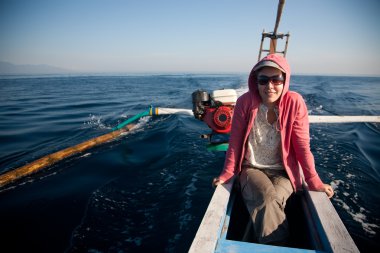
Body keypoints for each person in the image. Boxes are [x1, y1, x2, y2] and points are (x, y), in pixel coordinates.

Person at [212, 53, 334, 245]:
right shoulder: (245, 102)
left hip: (284, 172)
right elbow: (235, 142)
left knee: (272, 201)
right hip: (252, 168)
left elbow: (303, 147)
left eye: (276, 79)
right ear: (256, 81)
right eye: (263, 80)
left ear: (285, 80)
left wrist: (313, 181)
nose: (270, 86)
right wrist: (227, 173)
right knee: (268, 200)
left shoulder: (295, 102)